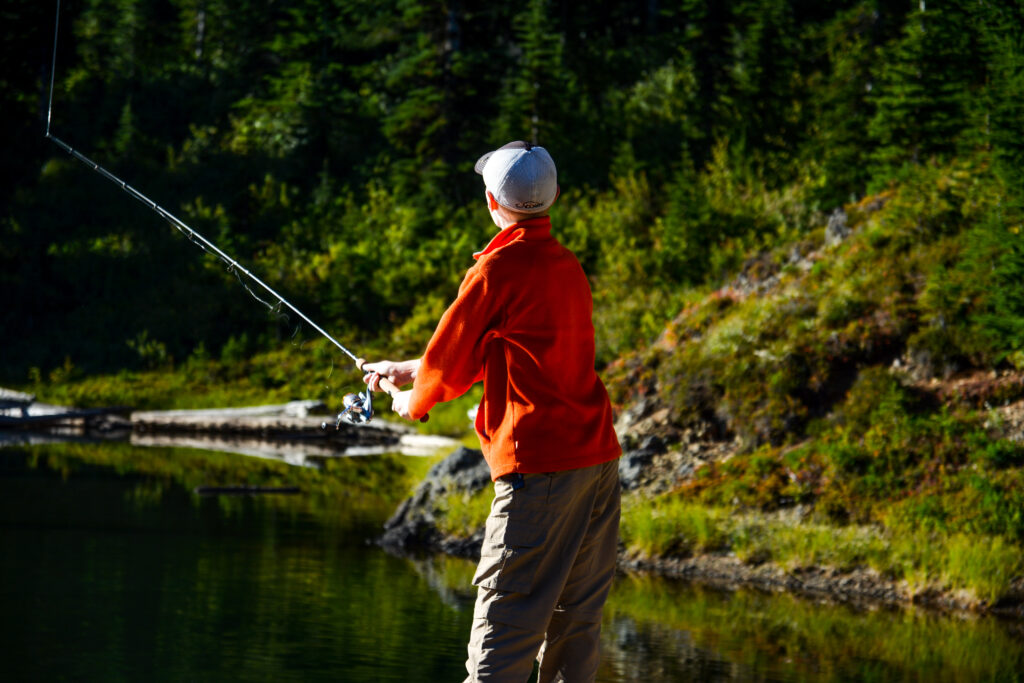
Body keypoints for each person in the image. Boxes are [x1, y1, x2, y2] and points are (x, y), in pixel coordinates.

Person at [363, 141, 621, 682]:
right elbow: (514, 349)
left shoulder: (495, 269)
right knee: (575, 629)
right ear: (554, 198)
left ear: (490, 202)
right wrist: (412, 366)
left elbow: (448, 369)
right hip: (596, 463)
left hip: (538, 471)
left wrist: (410, 399)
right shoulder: (565, 265)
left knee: (502, 634)